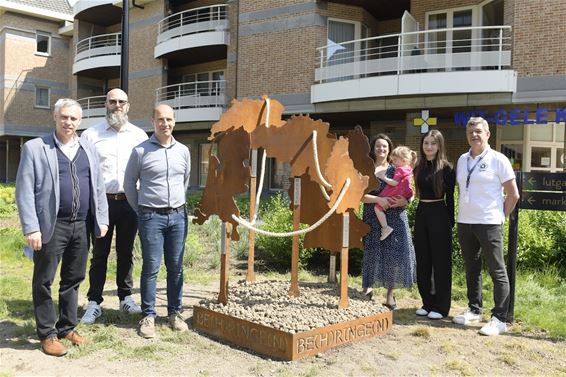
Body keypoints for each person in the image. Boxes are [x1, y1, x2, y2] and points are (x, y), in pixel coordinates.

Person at [15, 98, 109, 356]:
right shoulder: (35, 148)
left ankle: (67, 326)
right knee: (44, 280)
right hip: (51, 225)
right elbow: (24, 191)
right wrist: (31, 228)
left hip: (81, 224)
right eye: (64, 117)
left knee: (74, 278)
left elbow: (98, 187)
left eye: (74, 118)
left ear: (80, 121)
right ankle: (47, 334)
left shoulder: (88, 148)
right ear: (55, 118)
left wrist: (102, 218)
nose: (69, 122)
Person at [80, 89, 148, 324]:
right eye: (112, 101)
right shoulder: (90, 135)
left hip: (130, 202)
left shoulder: (139, 136)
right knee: (99, 253)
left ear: (128, 106)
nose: (117, 105)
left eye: (121, 102)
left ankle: (125, 297)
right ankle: (94, 301)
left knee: (126, 252)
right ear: (105, 104)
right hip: (102, 204)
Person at [124, 104, 191, 338]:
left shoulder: (183, 151)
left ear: (174, 121)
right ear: (152, 121)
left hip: (178, 217)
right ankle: (149, 315)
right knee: (151, 267)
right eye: (161, 119)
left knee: (176, 267)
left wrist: (175, 204)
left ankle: (174, 313)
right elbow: (129, 185)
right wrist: (142, 210)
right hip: (150, 217)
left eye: (169, 119)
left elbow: (185, 181)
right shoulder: (140, 151)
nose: (166, 124)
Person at [453, 117, 519, 336]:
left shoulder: (498, 159)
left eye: (479, 131)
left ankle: (500, 318)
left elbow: (513, 194)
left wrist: (500, 216)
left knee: (497, 271)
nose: (474, 135)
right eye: (470, 131)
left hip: (489, 223)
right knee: (472, 269)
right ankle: (474, 309)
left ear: (487, 134)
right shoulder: (462, 159)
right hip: (465, 222)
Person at [361, 134, 416, 309]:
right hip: (372, 213)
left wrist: (407, 201)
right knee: (371, 251)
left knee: (393, 256)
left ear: (390, 150)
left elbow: (411, 190)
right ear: (373, 148)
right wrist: (378, 200)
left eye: (385, 146)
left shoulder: (397, 168)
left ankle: (390, 295)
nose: (381, 149)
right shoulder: (365, 169)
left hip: (394, 215)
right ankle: (367, 289)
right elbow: (359, 195)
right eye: (378, 146)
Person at [413, 129, 455, 320]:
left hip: (439, 214)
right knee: (423, 260)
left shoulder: (447, 168)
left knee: (441, 262)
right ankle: (427, 302)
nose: (429, 147)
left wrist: (450, 222)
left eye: (433, 143)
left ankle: (441, 306)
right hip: (422, 213)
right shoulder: (418, 167)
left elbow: (451, 199)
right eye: (426, 143)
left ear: (439, 146)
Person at [373, 146, 417, 240]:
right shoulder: (409, 169)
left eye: (395, 160)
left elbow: (395, 183)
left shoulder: (399, 169)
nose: (394, 163)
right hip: (403, 193)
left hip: (396, 193)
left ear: (404, 160)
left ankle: (385, 228)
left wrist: (383, 177)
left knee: (377, 207)